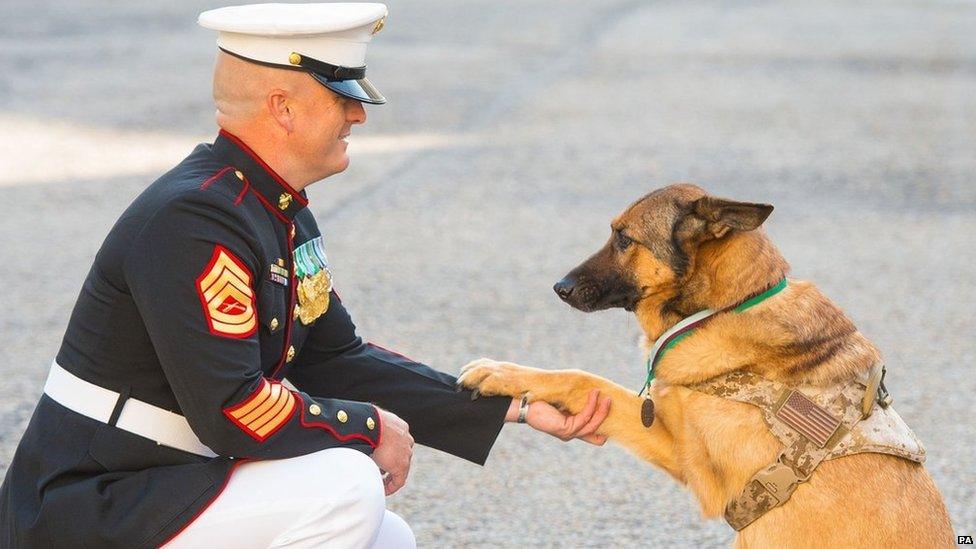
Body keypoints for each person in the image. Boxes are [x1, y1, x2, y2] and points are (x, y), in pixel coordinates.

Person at [0, 3, 610, 548]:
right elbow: (232, 407)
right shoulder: (195, 218)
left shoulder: (274, 210)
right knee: (345, 488)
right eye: (342, 95)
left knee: (386, 536)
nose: (358, 114)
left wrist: (521, 405)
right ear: (282, 108)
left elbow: (336, 358)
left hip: (161, 484)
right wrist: (368, 429)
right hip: (92, 506)